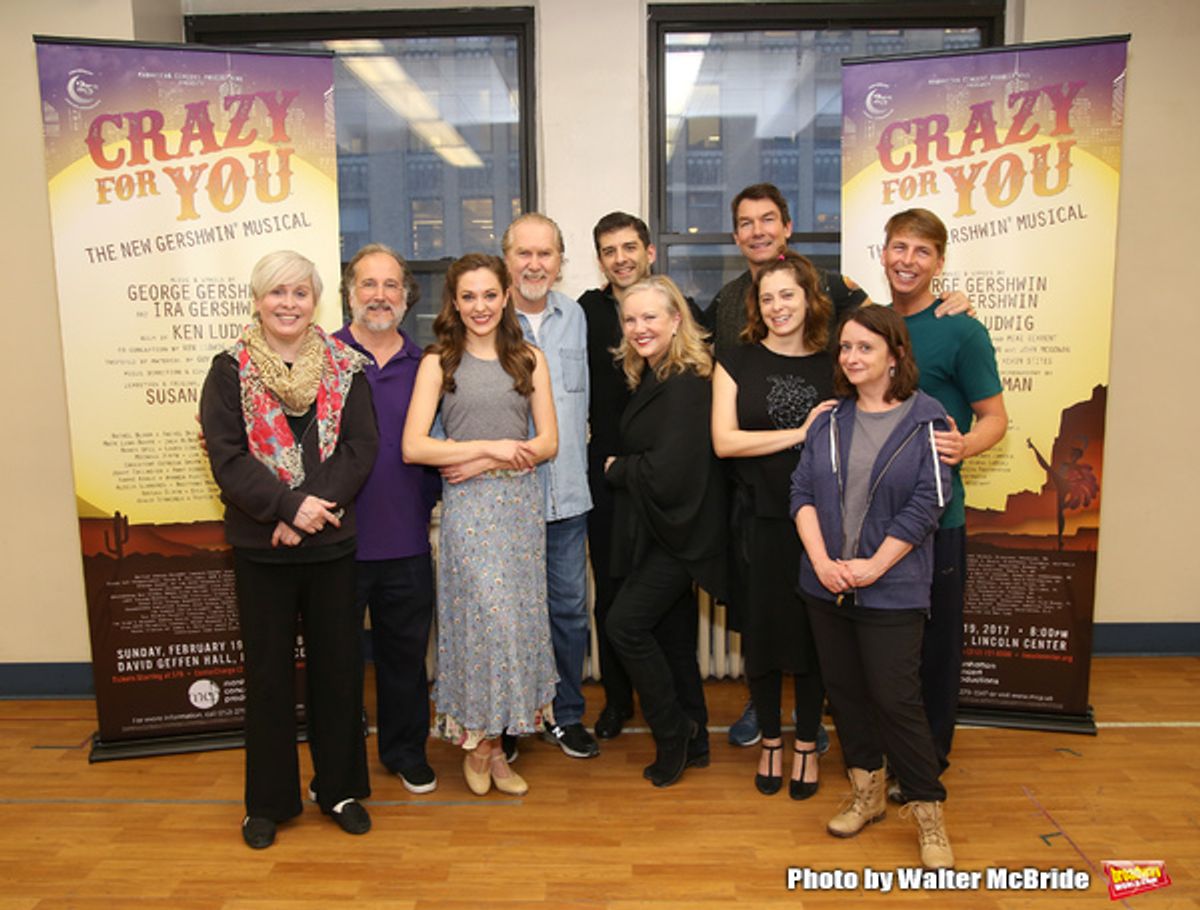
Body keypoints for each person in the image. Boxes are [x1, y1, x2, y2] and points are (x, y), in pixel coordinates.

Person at [707, 182, 971, 747]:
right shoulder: (725, 306)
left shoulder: (836, 314)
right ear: (737, 239)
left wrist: (949, 305)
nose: (780, 306)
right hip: (759, 507)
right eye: (747, 222)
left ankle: (816, 727)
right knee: (766, 623)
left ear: (787, 227)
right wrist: (798, 434)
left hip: (839, 512)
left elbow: (885, 329)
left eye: (768, 219)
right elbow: (721, 431)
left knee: (822, 629)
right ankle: (771, 717)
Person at [200, 250, 378, 849]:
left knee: (338, 672)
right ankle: (268, 803)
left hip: (330, 544)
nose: (289, 303)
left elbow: (360, 449)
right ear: (257, 300)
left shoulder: (346, 367)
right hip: (261, 548)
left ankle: (341, 789)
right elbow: (227, 457)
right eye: (277, 293)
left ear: (315, 301)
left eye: (300, 293)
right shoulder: (229, 370)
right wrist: (285, 509)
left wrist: (304, 513)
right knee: (269, 677)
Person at [789, 305, 954, 869]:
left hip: (893, 588)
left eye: (864, 347)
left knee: (897, 701)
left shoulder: (928, 421)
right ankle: (868, 796)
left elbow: (927, 505)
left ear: (895, 355)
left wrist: (871, 567)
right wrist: (823, 561)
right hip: (827, 586)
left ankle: (930, 817)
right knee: (848, 697)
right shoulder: (829, 422)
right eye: (845, 348)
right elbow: (802, 493)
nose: (852, 357)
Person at [401, 253, 558, 798]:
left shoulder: (528, 358)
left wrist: (485, 460)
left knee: (513, 627)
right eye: (468, 297)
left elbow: (548, 443)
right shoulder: (438, 361)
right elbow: (415, 444)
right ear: (454, 302)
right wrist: (490, 448)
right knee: (481, 625)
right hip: (468, 512)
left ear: (506, 296)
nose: (480, 306)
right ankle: (482, 744)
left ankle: (490, 747)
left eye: (489, 295)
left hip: (518, 509)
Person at [882, 209, 1007, 777]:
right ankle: (883, 750)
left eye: (922, 251)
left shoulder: (962, 329)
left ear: (938, 261)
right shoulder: (870, 323)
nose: (908, 260)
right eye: (899, 247)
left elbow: (994, 418)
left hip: (938, 518)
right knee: (886, 643)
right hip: (874, 519)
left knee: (935, 646)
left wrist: (967, 447)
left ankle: (928, 759)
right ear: (882, 252)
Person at [578, 212, 708, 750]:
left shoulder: (685, 320)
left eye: (629, 247)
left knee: (666, 609)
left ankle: (683, 720)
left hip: (665, 484)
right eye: (609, 250)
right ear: (600, 260)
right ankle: (617, 701)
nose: (621, 258)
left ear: (649, 251)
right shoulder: (585, 312)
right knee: (612, 600)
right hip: (610, 485)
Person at [711, 251, 835, 799]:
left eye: (788, 295)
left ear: (809, 298)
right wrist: (801, 431)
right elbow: (725, 442)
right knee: (761, 638)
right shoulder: (736, 360)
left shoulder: (837, 361)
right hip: (757, 518)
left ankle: (807, 742)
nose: (778, 306)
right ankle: (769, 740)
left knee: (813, 638)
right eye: (767, 298)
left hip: (824, 523)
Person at [605, 276, 726, 788]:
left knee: (625, 626)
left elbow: (668, 471)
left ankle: (672, 731)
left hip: (683, 534)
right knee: (674, 640)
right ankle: (696, 740)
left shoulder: (683, 384)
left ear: (676, 320)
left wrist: (616, 469)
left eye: (650, 317)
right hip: (663, 529)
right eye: (631, 319)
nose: (639, 328)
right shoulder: (656, 375)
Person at [333, 244, 441, 794]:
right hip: (335, 545)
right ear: (350, 293)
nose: (380, 295)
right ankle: (340, 766)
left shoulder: (426, 368)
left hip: (406, 543)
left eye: (391, 285)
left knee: (404, 659)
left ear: (406, 295)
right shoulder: (320, 361)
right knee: (338, 668)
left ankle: (405, 752)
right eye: (368, 285)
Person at [497, 214, 599, 761]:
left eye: (546, 254)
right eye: (524, 254)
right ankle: (513, 718)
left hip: (567, 498)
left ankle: (565, 716)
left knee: (567, 613)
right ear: (507, 258)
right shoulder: (487, 320)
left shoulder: (577, 317)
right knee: (513, 615)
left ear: (561, 261)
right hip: (506, 502)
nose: (535, 264)